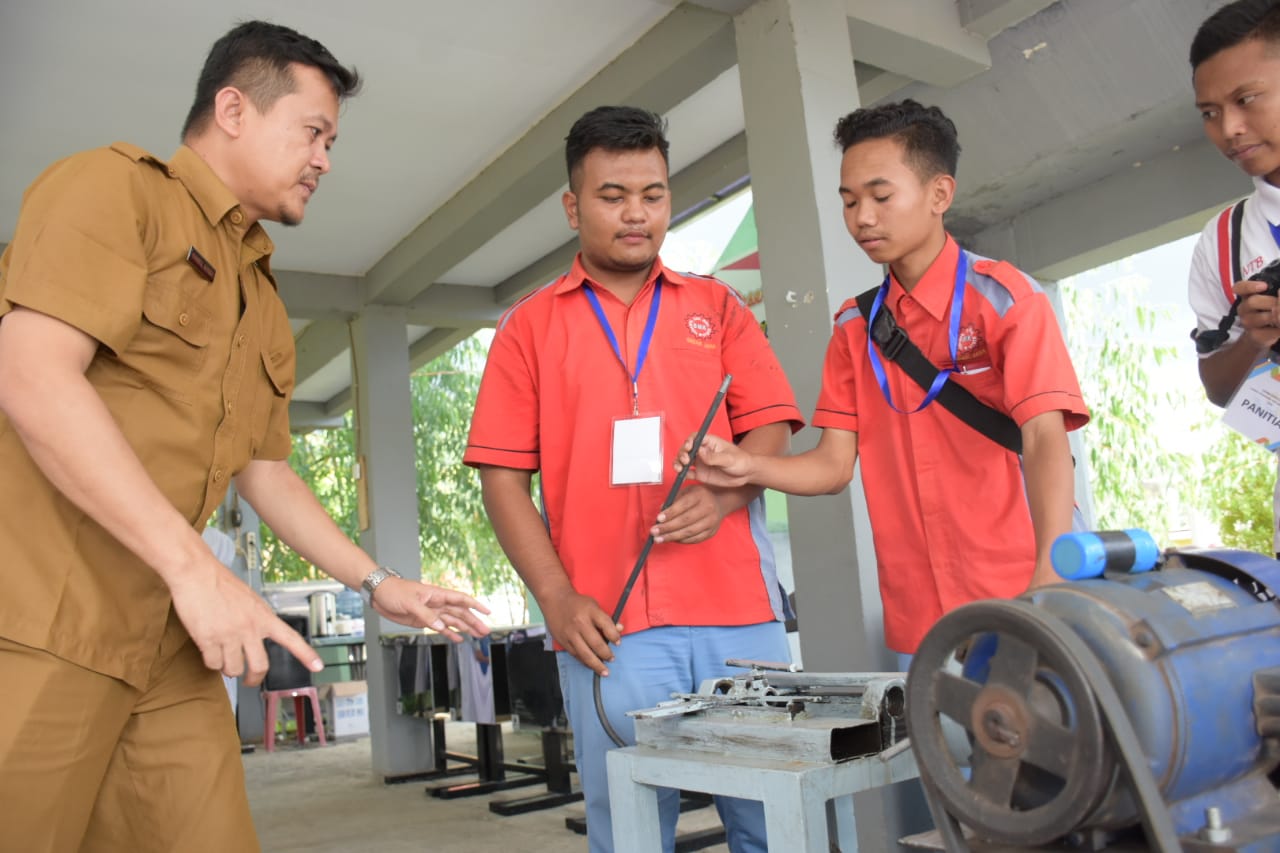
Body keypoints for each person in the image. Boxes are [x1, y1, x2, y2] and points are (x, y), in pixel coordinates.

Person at [0, 21, 488, 853]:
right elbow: (31, 374)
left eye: (331, 140)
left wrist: (379, 582)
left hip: (174, 643)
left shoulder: (259, 295)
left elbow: (266, 471)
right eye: (314, 132)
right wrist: (196, 570)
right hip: (41, 623)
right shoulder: (112, 191)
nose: (326, 158)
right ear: (233, 109)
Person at [465, 106, 804, 853]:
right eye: (613, 195)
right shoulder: (527, 328)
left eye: (652, 194)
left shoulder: (716, 308)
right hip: (606, 626)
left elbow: (770, 426)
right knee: (628, 832)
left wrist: (725, 495)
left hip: (738, 617)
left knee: (772, 822)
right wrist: (555, 597)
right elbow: (500, 480)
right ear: (572, 206)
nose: (636, 214)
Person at [677, 99, 1089, 658]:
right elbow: (832, 465)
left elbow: (1045, 438)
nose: (862, 218)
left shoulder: (1003, 300)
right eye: (849, 202)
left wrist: (1051, 567)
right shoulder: (855, 326)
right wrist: (747, 464)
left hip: (1024, 592)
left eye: (880, 196)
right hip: (920, 618)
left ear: (939, 194)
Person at [1188, 0, 1280, 555]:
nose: (1230, 129)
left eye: (1245, 100)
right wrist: (1255, 338)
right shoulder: (1223, 238)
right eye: (1209, 112)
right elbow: (1219, 388)